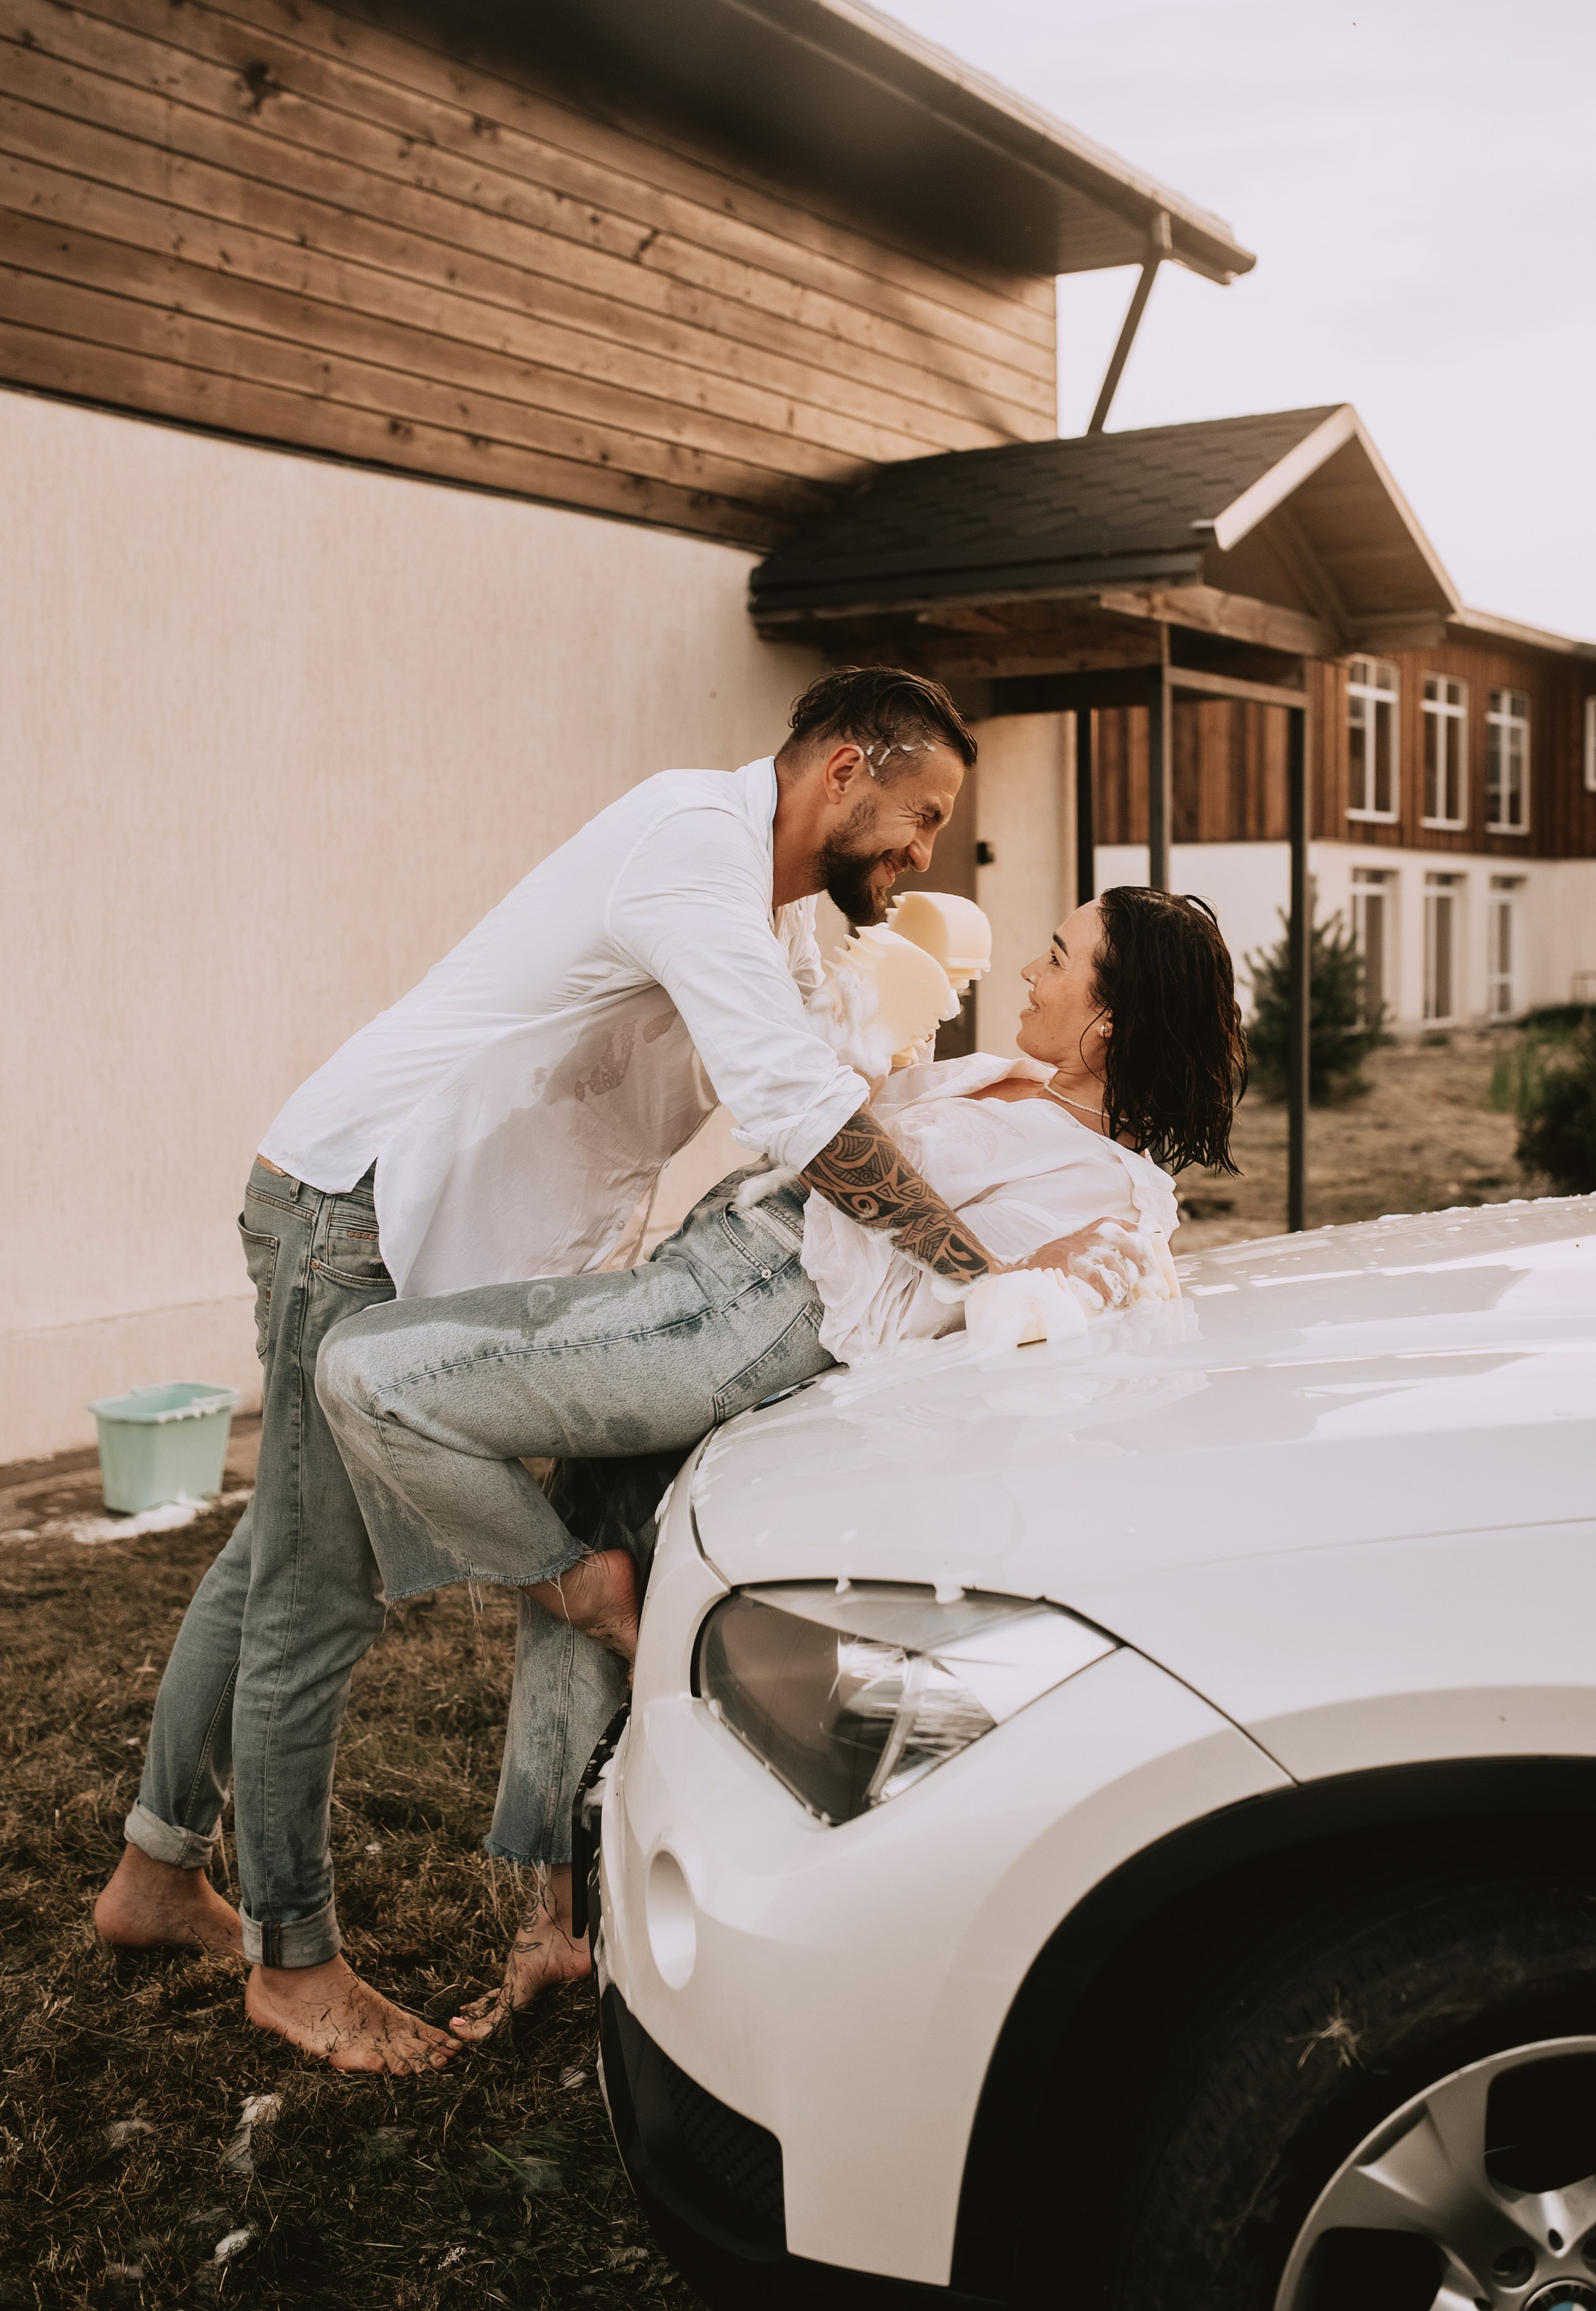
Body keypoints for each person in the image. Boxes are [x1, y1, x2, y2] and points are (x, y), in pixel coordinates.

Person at [96, 666, 1079, 2073]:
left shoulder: (790, 911)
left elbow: (831, 1069)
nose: (922, 856)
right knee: (318, 1593)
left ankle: (151, 1874)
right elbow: (802, 1111)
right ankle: (292, 1961)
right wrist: (992, 1278)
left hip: (433, 1222)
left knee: (270, 1553)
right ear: (843, 769)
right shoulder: (690, 845)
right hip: (360, 1201)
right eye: (916, 819)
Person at [314, 885, 1246, 2038]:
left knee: (362, 1372)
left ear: (1108, 1022)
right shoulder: (1012, 1081)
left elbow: (1022, 1288)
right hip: (712, 1261)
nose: (1029, 974)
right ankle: (550, 1926)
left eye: (1058, 958)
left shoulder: (1104, 1185)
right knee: (589, 1510)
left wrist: (1081, 1270)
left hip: (741, 1309)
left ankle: (575, 1588)